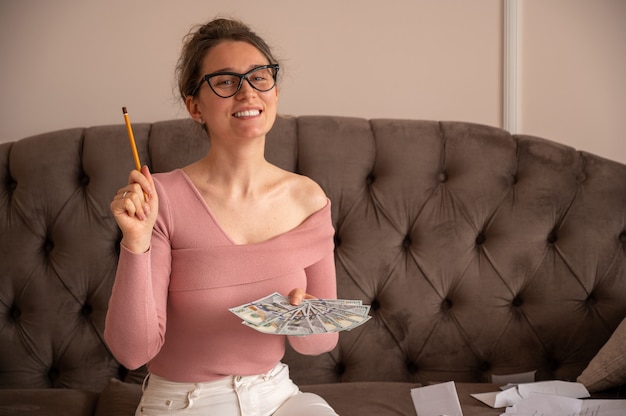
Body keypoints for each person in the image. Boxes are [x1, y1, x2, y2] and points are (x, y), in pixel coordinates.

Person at [105, 18, 340, 416]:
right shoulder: (158, 198)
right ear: (195, 106)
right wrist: (136, 244)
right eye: (226, 81)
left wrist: (304, 316)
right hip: (183, 403)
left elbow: (319, 343)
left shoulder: (308, 198)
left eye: (259, 76)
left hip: (278, 396)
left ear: (275, 91)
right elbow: (132, 353)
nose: (248, 91)